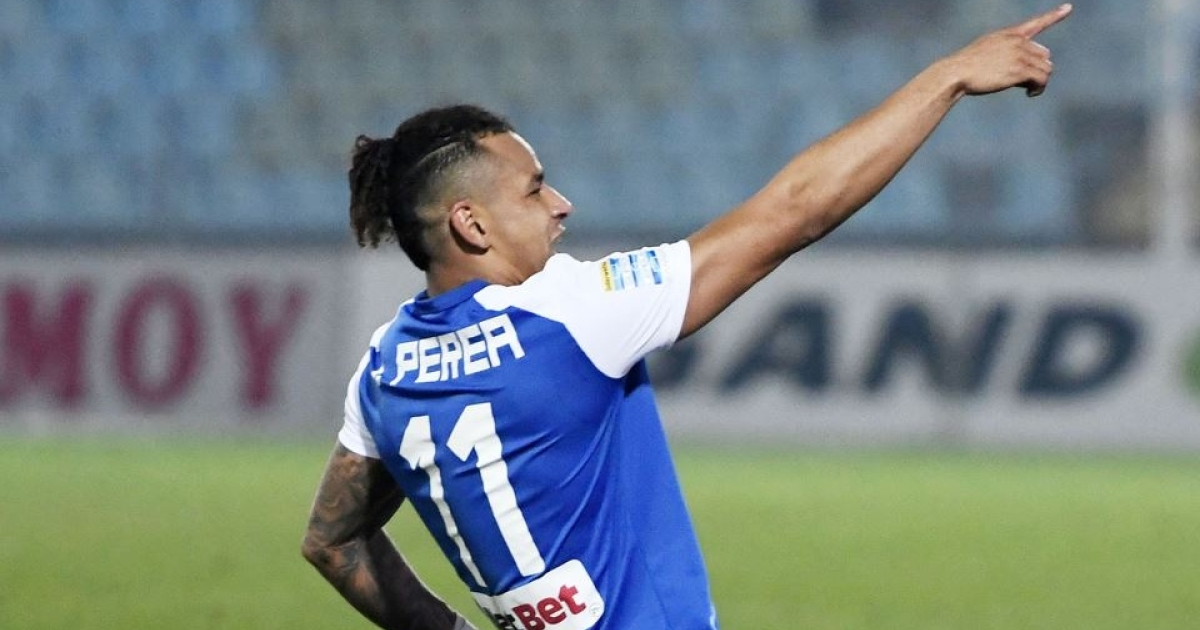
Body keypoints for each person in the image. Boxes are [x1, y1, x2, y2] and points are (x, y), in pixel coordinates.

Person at [301, 5, 1073, 629]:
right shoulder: (565, 315)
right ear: (471, 224)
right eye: (534, 190)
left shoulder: (384, 370)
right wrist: (947, 77)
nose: (562, 204)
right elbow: (793, 212)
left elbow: (332, 543)